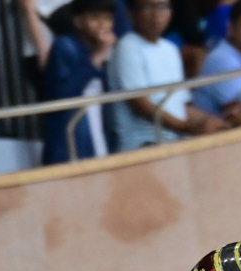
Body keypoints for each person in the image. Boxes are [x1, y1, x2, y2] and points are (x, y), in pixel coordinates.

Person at [109, 0, 226, 148]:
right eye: (147, 7)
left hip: (176, 139)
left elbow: (181, 105)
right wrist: (188, 127)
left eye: (162, 6)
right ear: (130, 14)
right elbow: (141, 106)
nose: (156, 14)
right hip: (143, 144)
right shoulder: (127, 46)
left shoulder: (170, 49)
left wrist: (213, 122)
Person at [22, 0, 115, 164]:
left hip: (98, 140)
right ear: (78, 21)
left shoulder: (102, 50)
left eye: (107, 18)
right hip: (70, 148)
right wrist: (97, 57)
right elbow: (64, 94)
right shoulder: (64, 46)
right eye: (94, 18)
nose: (102, 24)